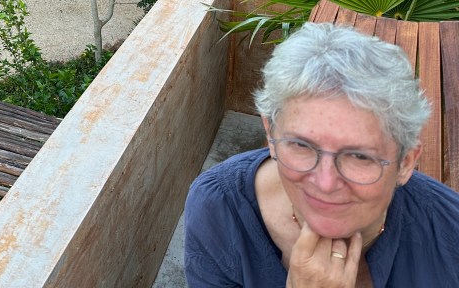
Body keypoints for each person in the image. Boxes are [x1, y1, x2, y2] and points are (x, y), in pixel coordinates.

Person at [183, 22, 459, 287]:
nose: (325, 184)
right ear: (271, 135)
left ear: (406, 162)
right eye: (301, 145)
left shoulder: (450, 235)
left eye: (360, 156)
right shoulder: (219, 208)